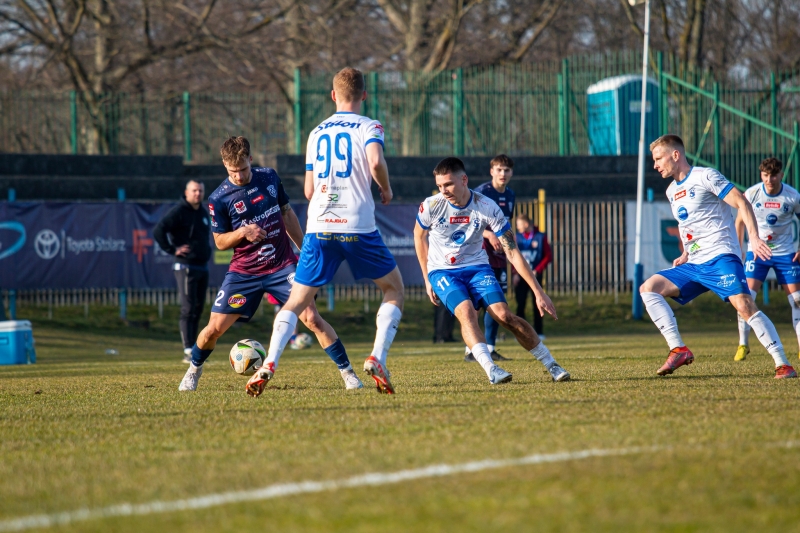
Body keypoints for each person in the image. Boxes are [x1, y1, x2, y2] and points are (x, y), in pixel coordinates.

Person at [245, 67, 405, 397]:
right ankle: (378, 357)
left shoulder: (316, 132)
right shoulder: (370, 126)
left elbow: (307, 189)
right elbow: (375, 162)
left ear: (333, 96)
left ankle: (270, 363)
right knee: (394, 290)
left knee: (296, 301)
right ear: (364, 95)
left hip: (319, 226)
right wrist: (385, 189)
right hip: (357, 225)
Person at [178, 136, 363, 391]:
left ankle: (348, 374)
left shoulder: (268, 178)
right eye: (233, 171)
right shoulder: (219, 199)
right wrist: (243, 232)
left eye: (243, 169)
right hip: (245, 272)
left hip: (282, 266)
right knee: (213, 330)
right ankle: (193, 370)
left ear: (250, 160)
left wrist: (305, 250)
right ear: (224, 165)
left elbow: (287, 214)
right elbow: (220, 242)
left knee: (312, 319)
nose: (240, 176)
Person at [639, 135, 796, 378]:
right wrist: (684, 253)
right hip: (694, 263)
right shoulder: (672, 191)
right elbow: (690, 227)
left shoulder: (706, 176)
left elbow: (742, 202)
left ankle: (783, 364)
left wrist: (753, 238)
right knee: (649, 288)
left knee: (744, 305)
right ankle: (678, 349)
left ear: (675, 155)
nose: (655, 165)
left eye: (659, 158)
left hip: (721, 256)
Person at [414, 156, 570, 384]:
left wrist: (539, 292)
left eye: (448, 184)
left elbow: (513, 251)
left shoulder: (487, 206)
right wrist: (427, 277)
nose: (443, 190)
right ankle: (491, 369)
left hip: (478, 268)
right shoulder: (431, 205)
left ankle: (552, 364)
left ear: (464, 179)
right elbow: (419, 236)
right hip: (443, 271)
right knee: (466, 312)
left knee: (505, 316)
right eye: (439, 186)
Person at [734, 158, 800, 362]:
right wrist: (739, 252)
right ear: (761, 175)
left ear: (781, 175)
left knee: (797, 301)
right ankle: (743, 344)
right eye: (765, 175)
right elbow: (739, 222)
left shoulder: (792, 196)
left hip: (785, 253)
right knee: (745, 299)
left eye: (773, 175)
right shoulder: (752, 194)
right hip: (757, 253)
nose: (769, 179)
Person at [464, 155, 516, 362]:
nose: (503, 174)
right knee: (475, 304)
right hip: (479, 255)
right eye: (499, 169)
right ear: (491, 171)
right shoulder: (481, 193)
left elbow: (507, 225)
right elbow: (468, 220)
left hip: (499, 256)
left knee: (497, 302)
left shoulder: (510, 195)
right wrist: (489, 234)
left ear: (512, 173)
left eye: (507, 170)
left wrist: (511, 246)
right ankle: (471, 350)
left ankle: (490, 347)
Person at [154, 180, 212, 362]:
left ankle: (195, 348)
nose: (197, 194)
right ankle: (188, 350)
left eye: (200, 191)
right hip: (185, 266)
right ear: (186, 192)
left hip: (202, 266)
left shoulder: (203, 213)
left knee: (198, 308)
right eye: (194, 190)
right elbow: (159, 230)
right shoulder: (179, 211)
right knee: (188, 308)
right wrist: (173, 249)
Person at [514, 212, 552, 336]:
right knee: (520, 304)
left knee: (538, 303)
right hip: (520, 276)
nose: (517, 227)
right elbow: (513, 257)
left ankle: (539, 332)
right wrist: (515, 273)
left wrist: (538, 270)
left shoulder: (540, 236)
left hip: (535, 276)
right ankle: (522, 333)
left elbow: (548, 256)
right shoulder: (517, 237)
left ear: (526, 224)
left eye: (519, 224)